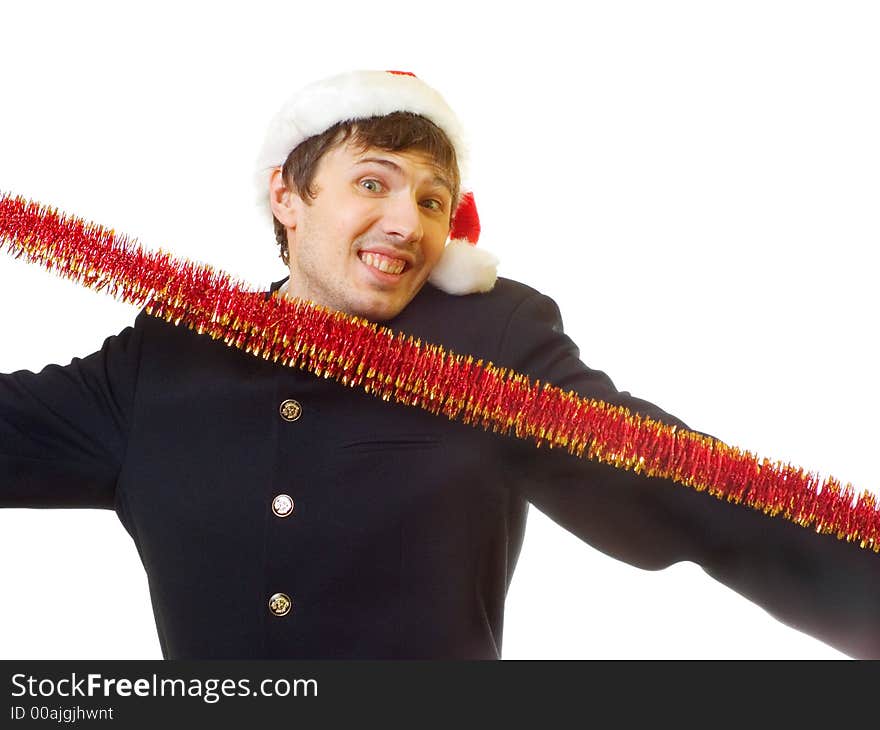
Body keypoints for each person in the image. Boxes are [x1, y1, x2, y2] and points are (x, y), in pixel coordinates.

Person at [1, 69, 879, 659]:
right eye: (374, 183)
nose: (407, 223)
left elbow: (679, 490)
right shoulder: (167, 355)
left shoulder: (491, 337)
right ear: (287, 195)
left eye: (432, 200)